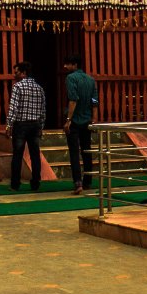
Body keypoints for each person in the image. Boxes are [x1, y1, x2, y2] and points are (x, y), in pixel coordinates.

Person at [5, 61, 46, 192]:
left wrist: (9, 124)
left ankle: (15, 184)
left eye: (16, 72)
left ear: (23, 73)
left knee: (17, 154)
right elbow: (43, 110)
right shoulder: (39, 88)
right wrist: (41, 126)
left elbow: (13, 108)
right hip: (35, 124)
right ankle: (35, 183)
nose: (14, 75)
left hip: (21, 125)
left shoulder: (18, 87)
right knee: (35, 155)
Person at [62, 55, 98, 195]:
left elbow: (73, 100)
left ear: (74, 65)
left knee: (74, 152)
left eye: (68, 64)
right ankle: (87, 181)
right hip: (87, 119)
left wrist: (68, 119)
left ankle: (77, 182)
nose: (65, 67)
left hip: (75, 120)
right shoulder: (91, 79)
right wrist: (94, 118)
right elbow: (94, 100)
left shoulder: (70, 78)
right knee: (87, 150)